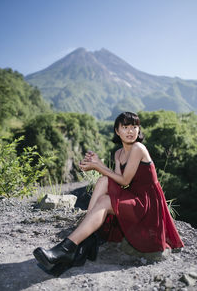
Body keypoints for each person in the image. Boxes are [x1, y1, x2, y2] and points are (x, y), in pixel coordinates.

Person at [33, 111, 184, 275]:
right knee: (103, 181)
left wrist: (98, 166)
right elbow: (119, 182)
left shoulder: (138, 148)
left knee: (105, 200)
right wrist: (94, 164)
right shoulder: (118, 153)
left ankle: (67, 248)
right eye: (125, 127)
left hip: (146, 206)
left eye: (134, 126)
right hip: (133, 198)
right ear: (117, 131)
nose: (130, 131)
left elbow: (125, 181)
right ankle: (85, 241)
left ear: (139, 130)